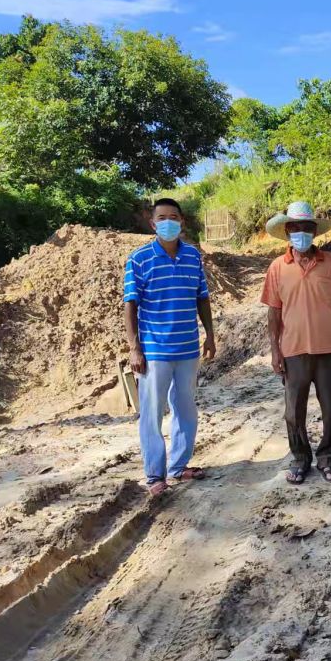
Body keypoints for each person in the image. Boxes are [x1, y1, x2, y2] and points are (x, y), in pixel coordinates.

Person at [123, 198, 216, 497]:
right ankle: (154, 475)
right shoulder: (138, 259)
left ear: (182, 221)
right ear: (152, 223)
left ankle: (178, 466)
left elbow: (202, 297)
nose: (168, 222)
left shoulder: (193, 257)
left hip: (188, 349)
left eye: (173, 217)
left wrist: (210, 335)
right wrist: (134, 348)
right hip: (154, 351)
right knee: (151, 414)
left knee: (186, 408)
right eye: (161, 217)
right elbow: (130, 305)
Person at [260, 201, 331, 484]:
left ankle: (329, 457)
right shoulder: (277, 268)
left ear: (315, 231)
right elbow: (274, 311)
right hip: (293, 351)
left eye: (307, 228)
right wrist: (275, 351)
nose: (302, 233)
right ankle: (301, 459)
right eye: (296, 228)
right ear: (287, 231)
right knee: (293, 411)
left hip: (328, 351)